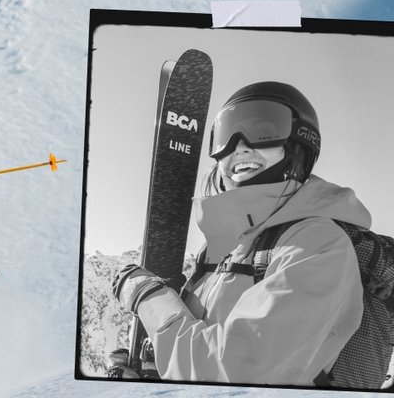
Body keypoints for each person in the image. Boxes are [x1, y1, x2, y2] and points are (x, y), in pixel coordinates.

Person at [113, 81, 369, 385]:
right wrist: (157, 375)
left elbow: (230, 373)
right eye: (225, 136)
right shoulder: (219, 250)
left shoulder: (318, 245)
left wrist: (148, 298)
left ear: (299, 144)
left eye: (264, 129)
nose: (240, 146)